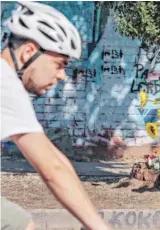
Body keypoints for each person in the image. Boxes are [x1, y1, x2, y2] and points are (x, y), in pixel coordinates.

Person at [1, 2, 112, 230]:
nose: (62, 75)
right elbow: (52, 169)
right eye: (59, 64)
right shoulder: (4, 84)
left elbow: (56, 158)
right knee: (19, 224)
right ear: (29, 52)